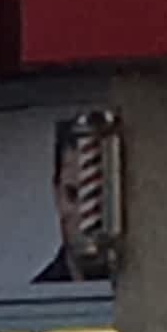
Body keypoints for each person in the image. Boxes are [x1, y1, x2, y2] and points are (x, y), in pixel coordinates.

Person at [35, 119, 109, 283]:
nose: (86, 217)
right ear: (57, 195)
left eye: (98, 195)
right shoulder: (37, 299)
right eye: (72, 195)